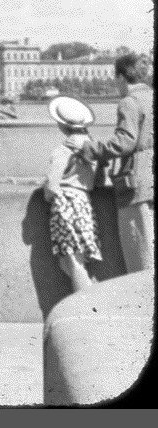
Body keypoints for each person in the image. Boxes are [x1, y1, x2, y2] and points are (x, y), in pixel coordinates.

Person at [75, 53, 154, 272]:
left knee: (141, 257)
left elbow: (124, 143)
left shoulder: (129, 102)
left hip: (136, 185)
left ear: (121, 77)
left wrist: (93, 149)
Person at [43, 96, 101, 292]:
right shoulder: (93, 149)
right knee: (74, 261)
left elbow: (52, 186)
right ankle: (89, 297)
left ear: (62, 126)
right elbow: (99, 180)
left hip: (65, 204)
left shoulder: (63, 150)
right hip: (84, 202)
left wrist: (49, 196)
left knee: (72, 262)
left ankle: (85, 305)